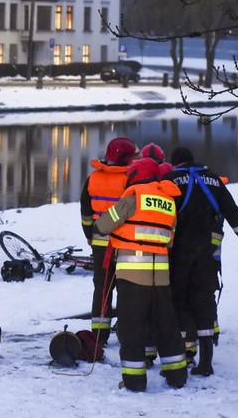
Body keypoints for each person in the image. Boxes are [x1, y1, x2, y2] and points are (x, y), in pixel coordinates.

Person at [95, 158, 188, 392]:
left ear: (135, 174)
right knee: (167, 325)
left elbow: (104, 225)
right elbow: (171, 238)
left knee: (131, 327)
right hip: (161, 277)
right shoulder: (168, 200)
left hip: (133, 275)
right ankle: (177, 375)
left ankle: (134, 380)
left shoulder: (133, 197)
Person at [163, 146, 238, 377]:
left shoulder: (170, 179)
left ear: (175, 164)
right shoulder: (213, 179)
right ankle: (206, 363)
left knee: (180, 300)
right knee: (204, 302)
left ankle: (183, 357)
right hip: (207, 251)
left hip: (180, 253)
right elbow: (232, 211)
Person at [80, 136, 139, 345]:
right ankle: (123, 329)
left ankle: (98, 334)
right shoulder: (131, 180)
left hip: (99, 243)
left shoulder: (93, 178)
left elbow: (86, 212)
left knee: (102, 288)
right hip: (124, 244)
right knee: (125, 288)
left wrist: (89, 234)